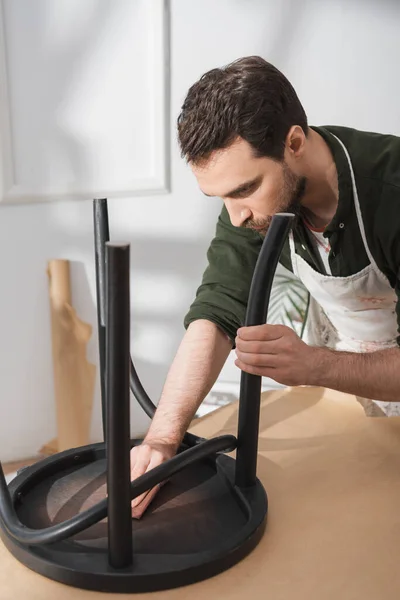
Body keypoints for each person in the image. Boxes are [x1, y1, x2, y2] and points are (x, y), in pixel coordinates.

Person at [130, 55, 400, 510]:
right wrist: (162, 439)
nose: (235, 215)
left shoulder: (391, 192)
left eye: (243, 190)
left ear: (294, 142)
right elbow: (218, 309)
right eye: (220, 197)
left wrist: (315, 366)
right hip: (344, 386)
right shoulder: (255, 198)